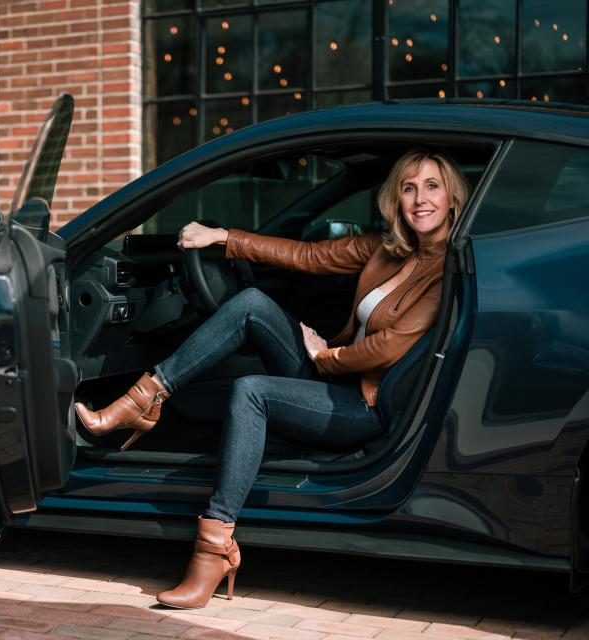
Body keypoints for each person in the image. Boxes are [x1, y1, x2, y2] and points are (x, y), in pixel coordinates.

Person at [74, 147, 470, 609]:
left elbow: (390, 346)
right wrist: (224, 238)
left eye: (432, 186)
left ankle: (215, 546)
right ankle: (144, 398)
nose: (420, 199)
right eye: (409, 187)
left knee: (251, 391)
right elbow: (305, 255)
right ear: (396, 199)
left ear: (451, 198)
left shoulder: (448, 268)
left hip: (362, 406)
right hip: (332, 382)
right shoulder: (386, 249)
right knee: (253, 304)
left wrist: (325, 357)